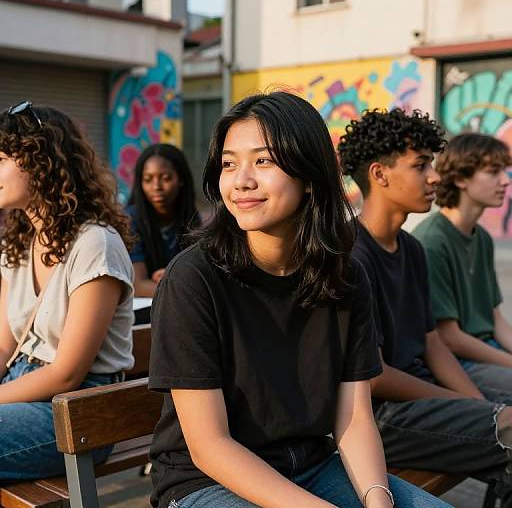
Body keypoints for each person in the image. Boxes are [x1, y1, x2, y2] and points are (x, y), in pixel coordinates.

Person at [148, 92, 451, 508]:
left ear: (309, 176)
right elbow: (208, 445)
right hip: (206, 482)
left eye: (264, 161)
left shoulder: (346, 275)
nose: (242, 181)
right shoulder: (194, 278)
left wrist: (378, 498)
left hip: (312, 466)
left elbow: (355, 415)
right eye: (229, 163)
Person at [338, 108, 512, 505]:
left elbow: (433, 344)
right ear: (379, 175)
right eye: (421, 165)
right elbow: (375, 377)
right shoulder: (350, 256)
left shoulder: (411, 248)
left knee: (502, 424)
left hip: (424, 401)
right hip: (379, 417)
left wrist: (478, 404)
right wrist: (462, 404)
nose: (435, 176)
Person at [0, 102, 134, 482]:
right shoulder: (21, 243)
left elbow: (66, 373)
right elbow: (4, 347)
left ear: (40, 161)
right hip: (22, 387)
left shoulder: (95, 244)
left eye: (1, 158)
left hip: (81, 408)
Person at [412, 134, 512, 378]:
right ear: (459, 178)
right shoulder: (432, 242)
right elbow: (449, 338)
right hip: (458, 363)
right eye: (493, 171)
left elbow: (495, 318)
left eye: (504, 171)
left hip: (489, 352)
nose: (505, 181)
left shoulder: (483, 238)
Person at [127, 143, 199, 298]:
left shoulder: (191, 218)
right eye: (148, 179)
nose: (156, 186)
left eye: (166, 178)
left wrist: (172, 276)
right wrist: (177, 282)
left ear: (180, 179)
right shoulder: (130, 220)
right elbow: (138, 286)